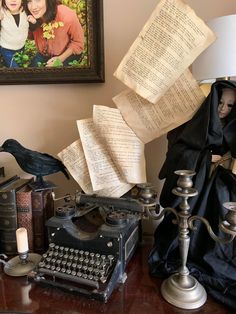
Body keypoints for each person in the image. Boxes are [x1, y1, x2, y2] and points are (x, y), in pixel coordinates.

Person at [148, 80, 236, 310]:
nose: (223, 109)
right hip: (193, 189)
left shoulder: (231, 127)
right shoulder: (196, 123)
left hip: (216, 189)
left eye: (229, 105)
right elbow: (179, 151)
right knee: (182, 224)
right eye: (220, 103)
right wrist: (206, 158)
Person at [23, 0, 84, 67]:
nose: (33, 7)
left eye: (38, 0)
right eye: (29, 1)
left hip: (67, 54)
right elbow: (30, 37)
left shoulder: (66, 14)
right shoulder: (30, 16)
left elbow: (78, 43)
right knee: (30, 75)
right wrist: (31, 25)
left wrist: (60, 59)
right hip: (44, 54)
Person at [0, 0, 32, 67]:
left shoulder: (26, 10)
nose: (13, 0)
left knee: (20, 62)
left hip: (21, 46)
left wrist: (34, 22)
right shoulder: (2, 13)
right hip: (6, 48)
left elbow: (34, 26)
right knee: (14, 68)